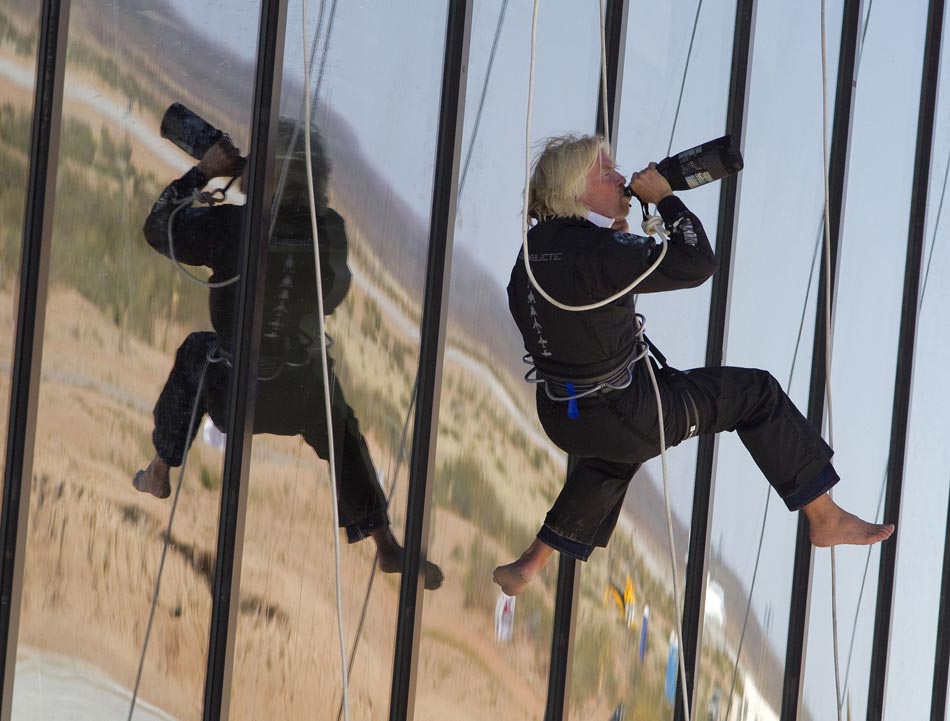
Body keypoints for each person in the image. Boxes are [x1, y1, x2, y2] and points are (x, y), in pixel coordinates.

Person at [493, 134, 893, 596]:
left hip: (565, 416)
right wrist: (664, 199)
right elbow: (697, 263)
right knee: (755, 395)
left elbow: (572, 313)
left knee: (615, 451)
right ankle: (825, 517)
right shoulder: (596, 254)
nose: (621, 179)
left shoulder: (532, 254)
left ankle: (531, 561)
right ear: (574, 189)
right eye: (607, 173)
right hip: (631, 413)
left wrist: (618, 245)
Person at [134, 121, 443, 590]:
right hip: (296, 392)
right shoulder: (330, 232)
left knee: (198, 351)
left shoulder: (232, 227)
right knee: (339, 423)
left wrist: (204, 174)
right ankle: (384, 543)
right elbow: (333, 293)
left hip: (234, 390)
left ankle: (160, 468)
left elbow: (158, 229)